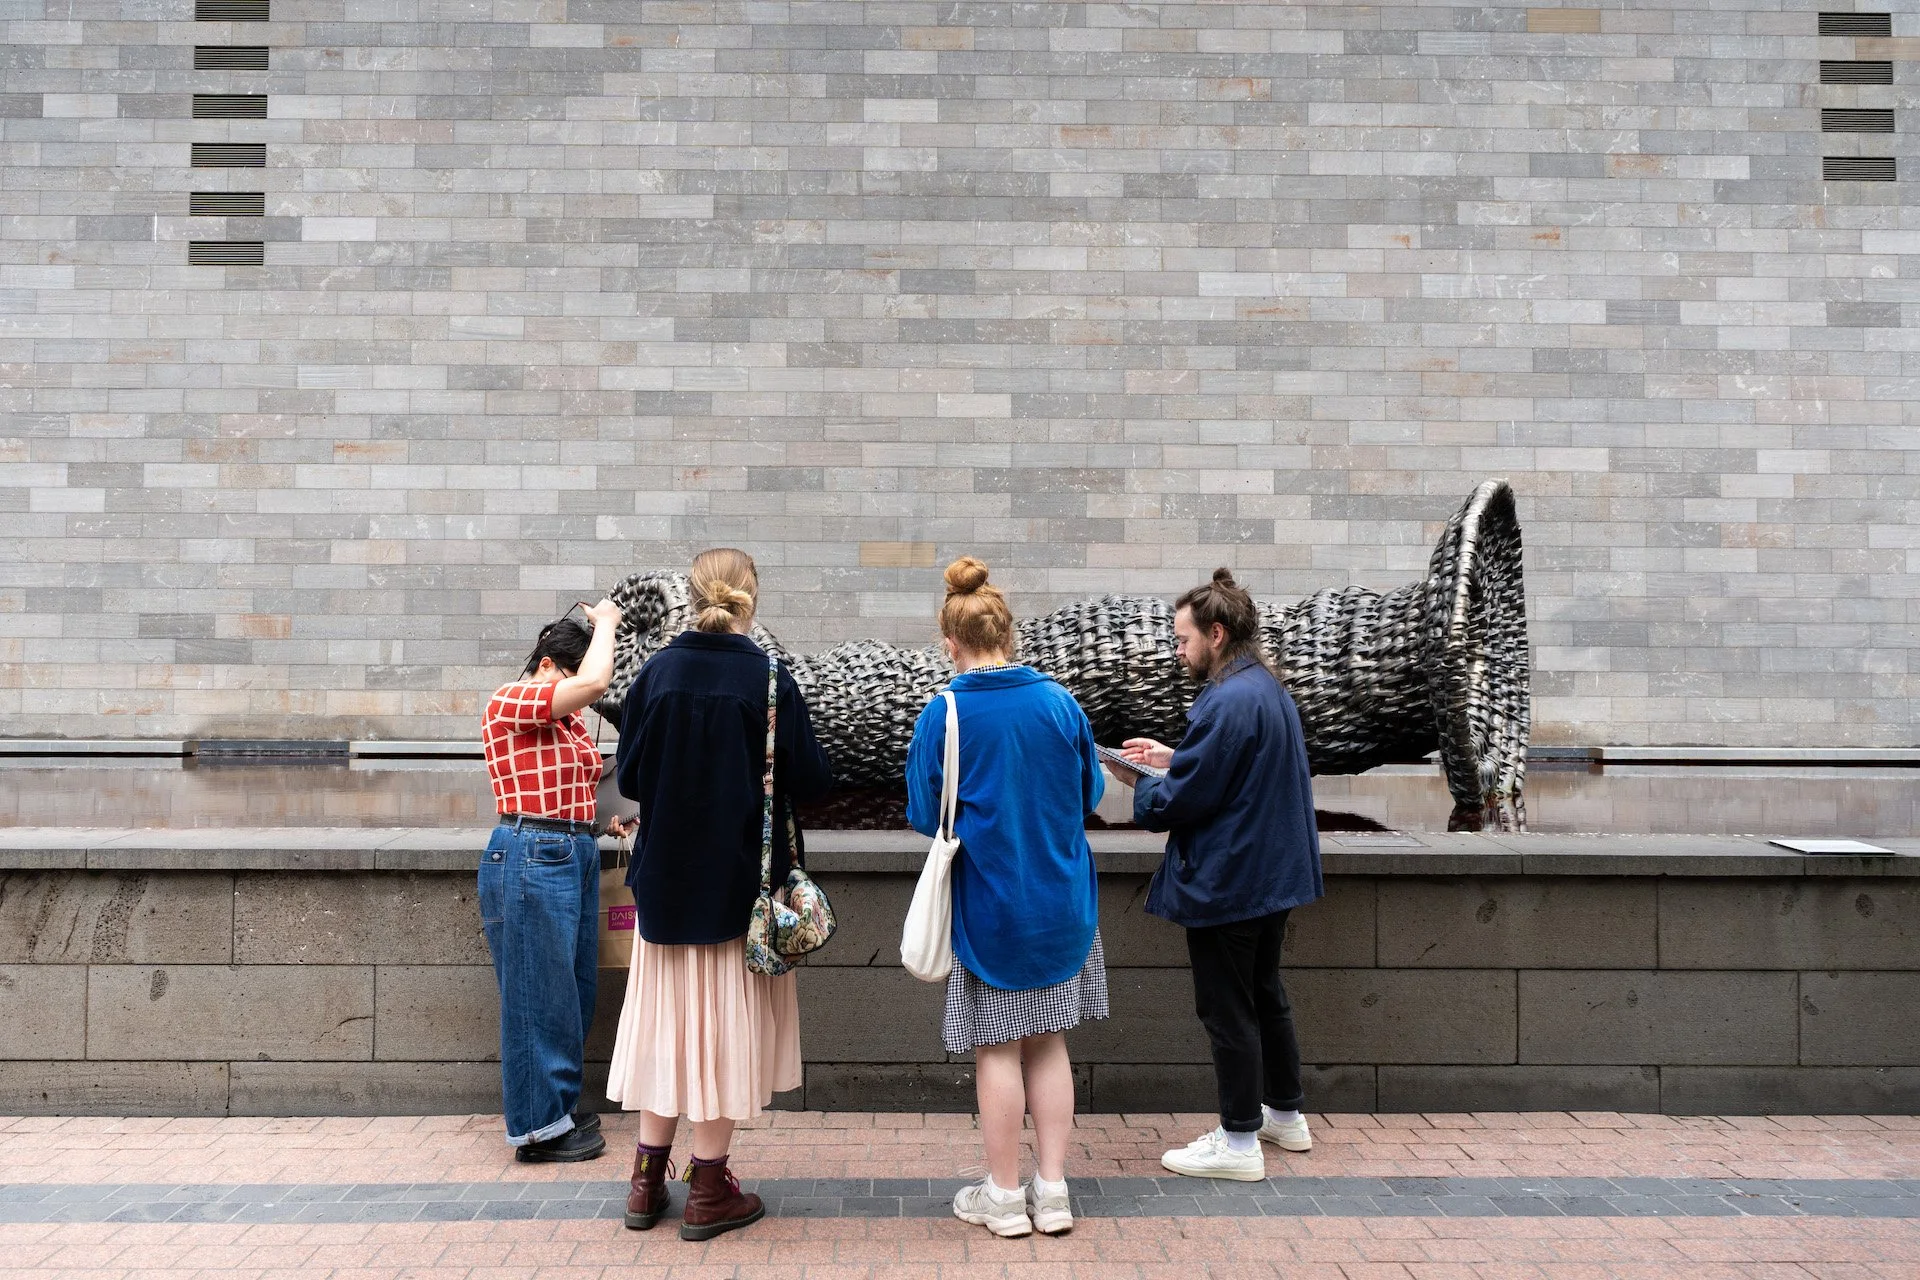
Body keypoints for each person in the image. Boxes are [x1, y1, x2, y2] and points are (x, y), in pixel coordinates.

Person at [608, 548, 834, 1242]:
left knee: (666, 1030)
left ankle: (646, 1182)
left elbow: (634, 776)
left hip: (663, 888)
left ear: (692, 594)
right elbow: (815, 778)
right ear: (750, 598)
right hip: (739, 890)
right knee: (718, 1038)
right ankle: (708, 1188)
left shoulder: (658, 672)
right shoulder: (767, 678)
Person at [904, 557, 1109, 1239]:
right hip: (1061, 906)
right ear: (1008, 634)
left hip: (991, 912)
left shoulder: (947, 711)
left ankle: (1002, 1195)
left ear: (951, 644)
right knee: (1048, 1045)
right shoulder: (1061, 703)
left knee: (997, 1049)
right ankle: (1052, 1193)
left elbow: (921, 811)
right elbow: (1090, 796)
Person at [1113, 568, 1324, 1182]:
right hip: (1272, 876)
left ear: (1217, 633)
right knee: (1265, 995)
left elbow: (1186, 802)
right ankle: (1285, 1115)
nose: (1177, 651)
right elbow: (1235, 771)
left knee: (1226, 1007)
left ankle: (1238, 1143)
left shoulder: (1226, 699)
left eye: (1183, 640)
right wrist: (1176, 759)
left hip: (1231, 880)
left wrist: (1141, 782)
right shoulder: (1263, 688)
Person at [479, 598, 627, 1163]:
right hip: (529, 852)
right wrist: (607, 625)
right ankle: (537, 1130)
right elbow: (593, 685)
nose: (577, 686)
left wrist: (604, 818)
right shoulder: (511, 699)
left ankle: (556, 1106)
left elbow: (565, 788)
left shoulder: (562, 724)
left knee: (569, 992)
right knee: (536, 993)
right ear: (546, 667)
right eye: (568, 673)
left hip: (570, 848)